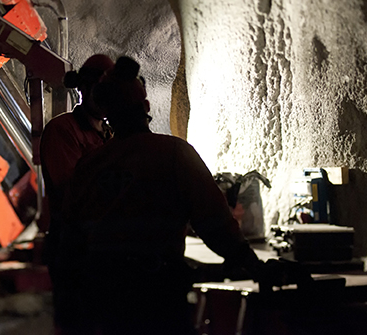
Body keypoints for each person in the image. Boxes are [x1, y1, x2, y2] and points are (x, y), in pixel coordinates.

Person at [57, 56, 297, 335]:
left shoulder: (91, 165)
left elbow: (70, 234)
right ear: (145, 106)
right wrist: (254, 267)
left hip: (102, 297)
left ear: (107, 111)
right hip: (157, 295)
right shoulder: (174, 154)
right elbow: (215, 224)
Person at [39, 53, 114, 332]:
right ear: (82, 89)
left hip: (103, 249)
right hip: (74, 249)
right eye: (97, 89)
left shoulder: (111, 133)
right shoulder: (62, 131)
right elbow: (71, 190)